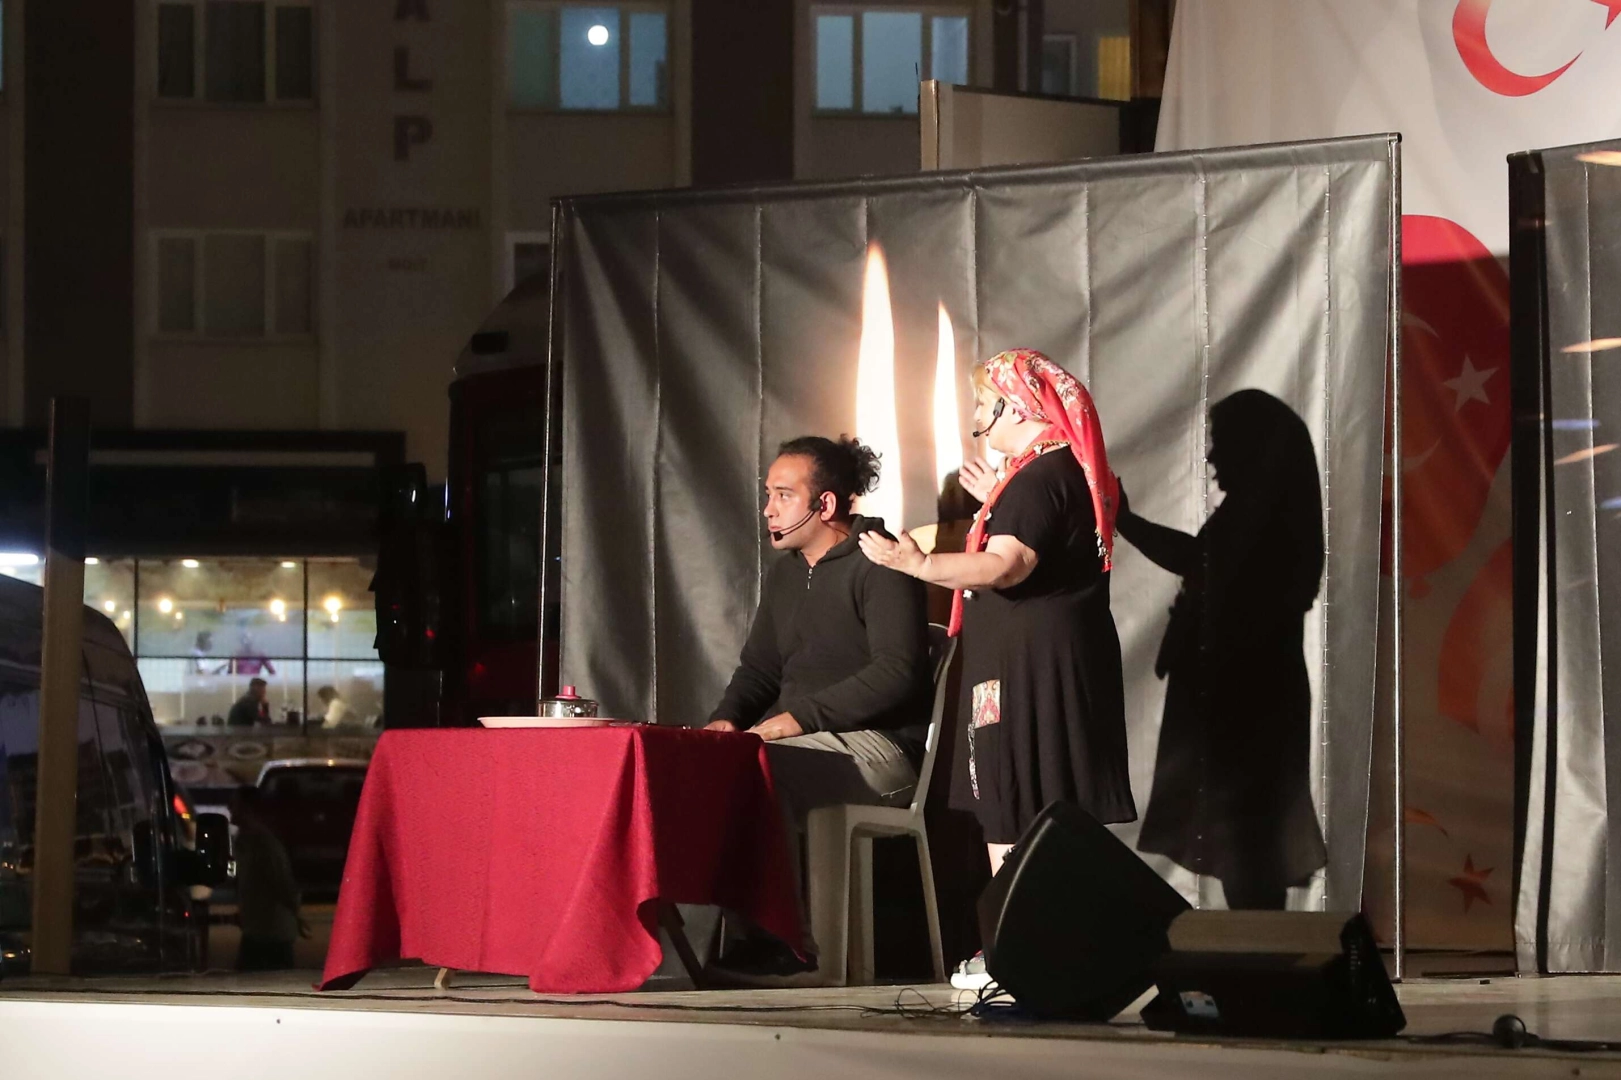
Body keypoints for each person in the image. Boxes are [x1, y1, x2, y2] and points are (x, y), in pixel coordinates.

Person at [858, 348, 1134, 990]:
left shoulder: (1040, 479)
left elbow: (1006, 566)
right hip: (1049, 660)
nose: (978, 419)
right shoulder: (1059, 472)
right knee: (1041, 800)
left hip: (1025, 669)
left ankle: (1019, 949)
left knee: (1011, 796)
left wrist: (916, 564)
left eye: (984, 404)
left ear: (1017, 407)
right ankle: (1053, 946)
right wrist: (1000, 499)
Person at [704, 435, 931, 983]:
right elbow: (759, 669)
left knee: (768, 768)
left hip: (882, 747)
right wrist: (726, 720)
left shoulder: (879, 560)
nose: (768, 509)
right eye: (768, 494)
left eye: (783, 495)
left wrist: (799, 718)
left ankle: (793, 945)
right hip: (807, 741)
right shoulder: (786, 574)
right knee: (720, 762)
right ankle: (750, 939)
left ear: (824, 504)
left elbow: (897, 671)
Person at [1116, 389, 1327, 910]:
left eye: (1221, 442)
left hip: (1247, 703)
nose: (1211, 457)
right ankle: (1259, 949)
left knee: (1248, 843)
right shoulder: (1267, 514)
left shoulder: (1261, 521)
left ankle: (1260, 951)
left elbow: (1202, 561)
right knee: (1247, 845)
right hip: (1246, 700)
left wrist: (1127, 522)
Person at [229, 786, 307, 971]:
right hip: (258, 930)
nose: (230, 807)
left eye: (235, 804)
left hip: (271, 933)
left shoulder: (262, 843)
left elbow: (282, 884)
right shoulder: (245, 840)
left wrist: (295, 913)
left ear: (248, 808)